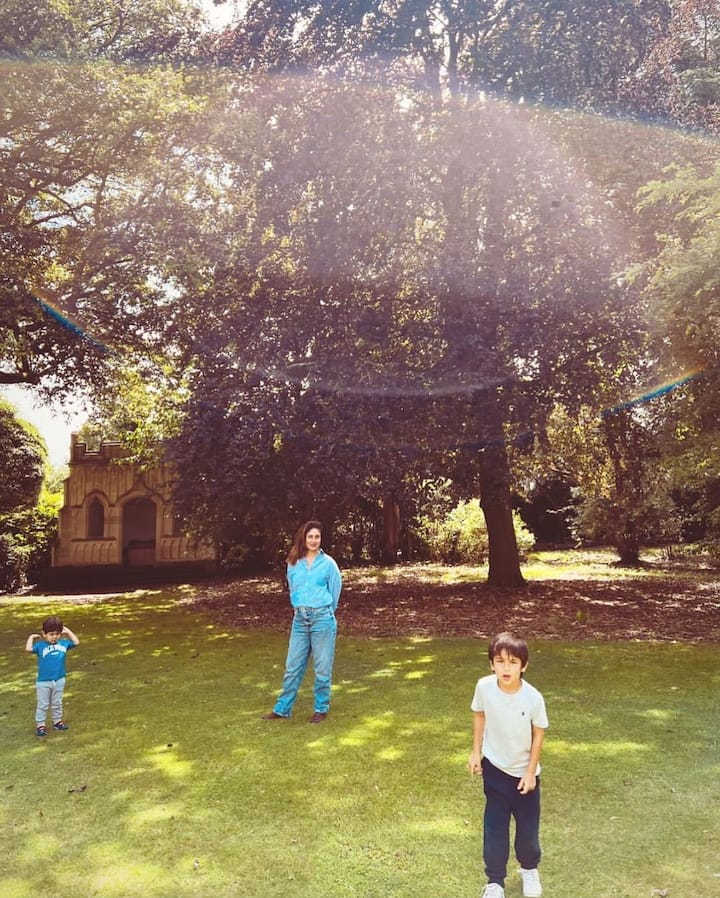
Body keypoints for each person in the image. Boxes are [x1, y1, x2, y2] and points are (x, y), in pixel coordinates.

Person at [467, 632, 549, 898]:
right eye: (500, 661)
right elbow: (479, 715)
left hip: (524, 776)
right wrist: (476, 752)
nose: (506, 668)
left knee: (527, 831)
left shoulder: (533, 698)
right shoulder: (484, 687)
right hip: (494, 771)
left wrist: (530, 772)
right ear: (491, 664)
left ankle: (529, 869)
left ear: (524, 666)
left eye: (513, 662)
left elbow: (538, 734)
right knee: (494, 828)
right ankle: (495, 882)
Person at [262, 520, 342, 723]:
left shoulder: (328, 564)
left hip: (322, 620)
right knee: (292, 667)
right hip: (299, 620)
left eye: (317, 537)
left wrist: (324, 611)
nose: (314, 540)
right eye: (310, 537)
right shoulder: (293, 562)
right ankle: (282, 709)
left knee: (322, 668)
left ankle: (321, 709)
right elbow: (293, 588)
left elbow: (335, 591)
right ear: (304, 539)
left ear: (321, 539)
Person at [25, 615, 80, 737]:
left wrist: (68, 631)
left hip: (59, 679)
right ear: (44, 634)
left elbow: (76, 642)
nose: (54, 637)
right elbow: (28, 649)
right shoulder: (40, 646)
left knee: (57, 702)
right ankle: (40, 725)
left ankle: (57, 721)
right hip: (44, 681)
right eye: (51, 634)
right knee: (43, 704)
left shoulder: (64, 644)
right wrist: (31, 638)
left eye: (57, 634)